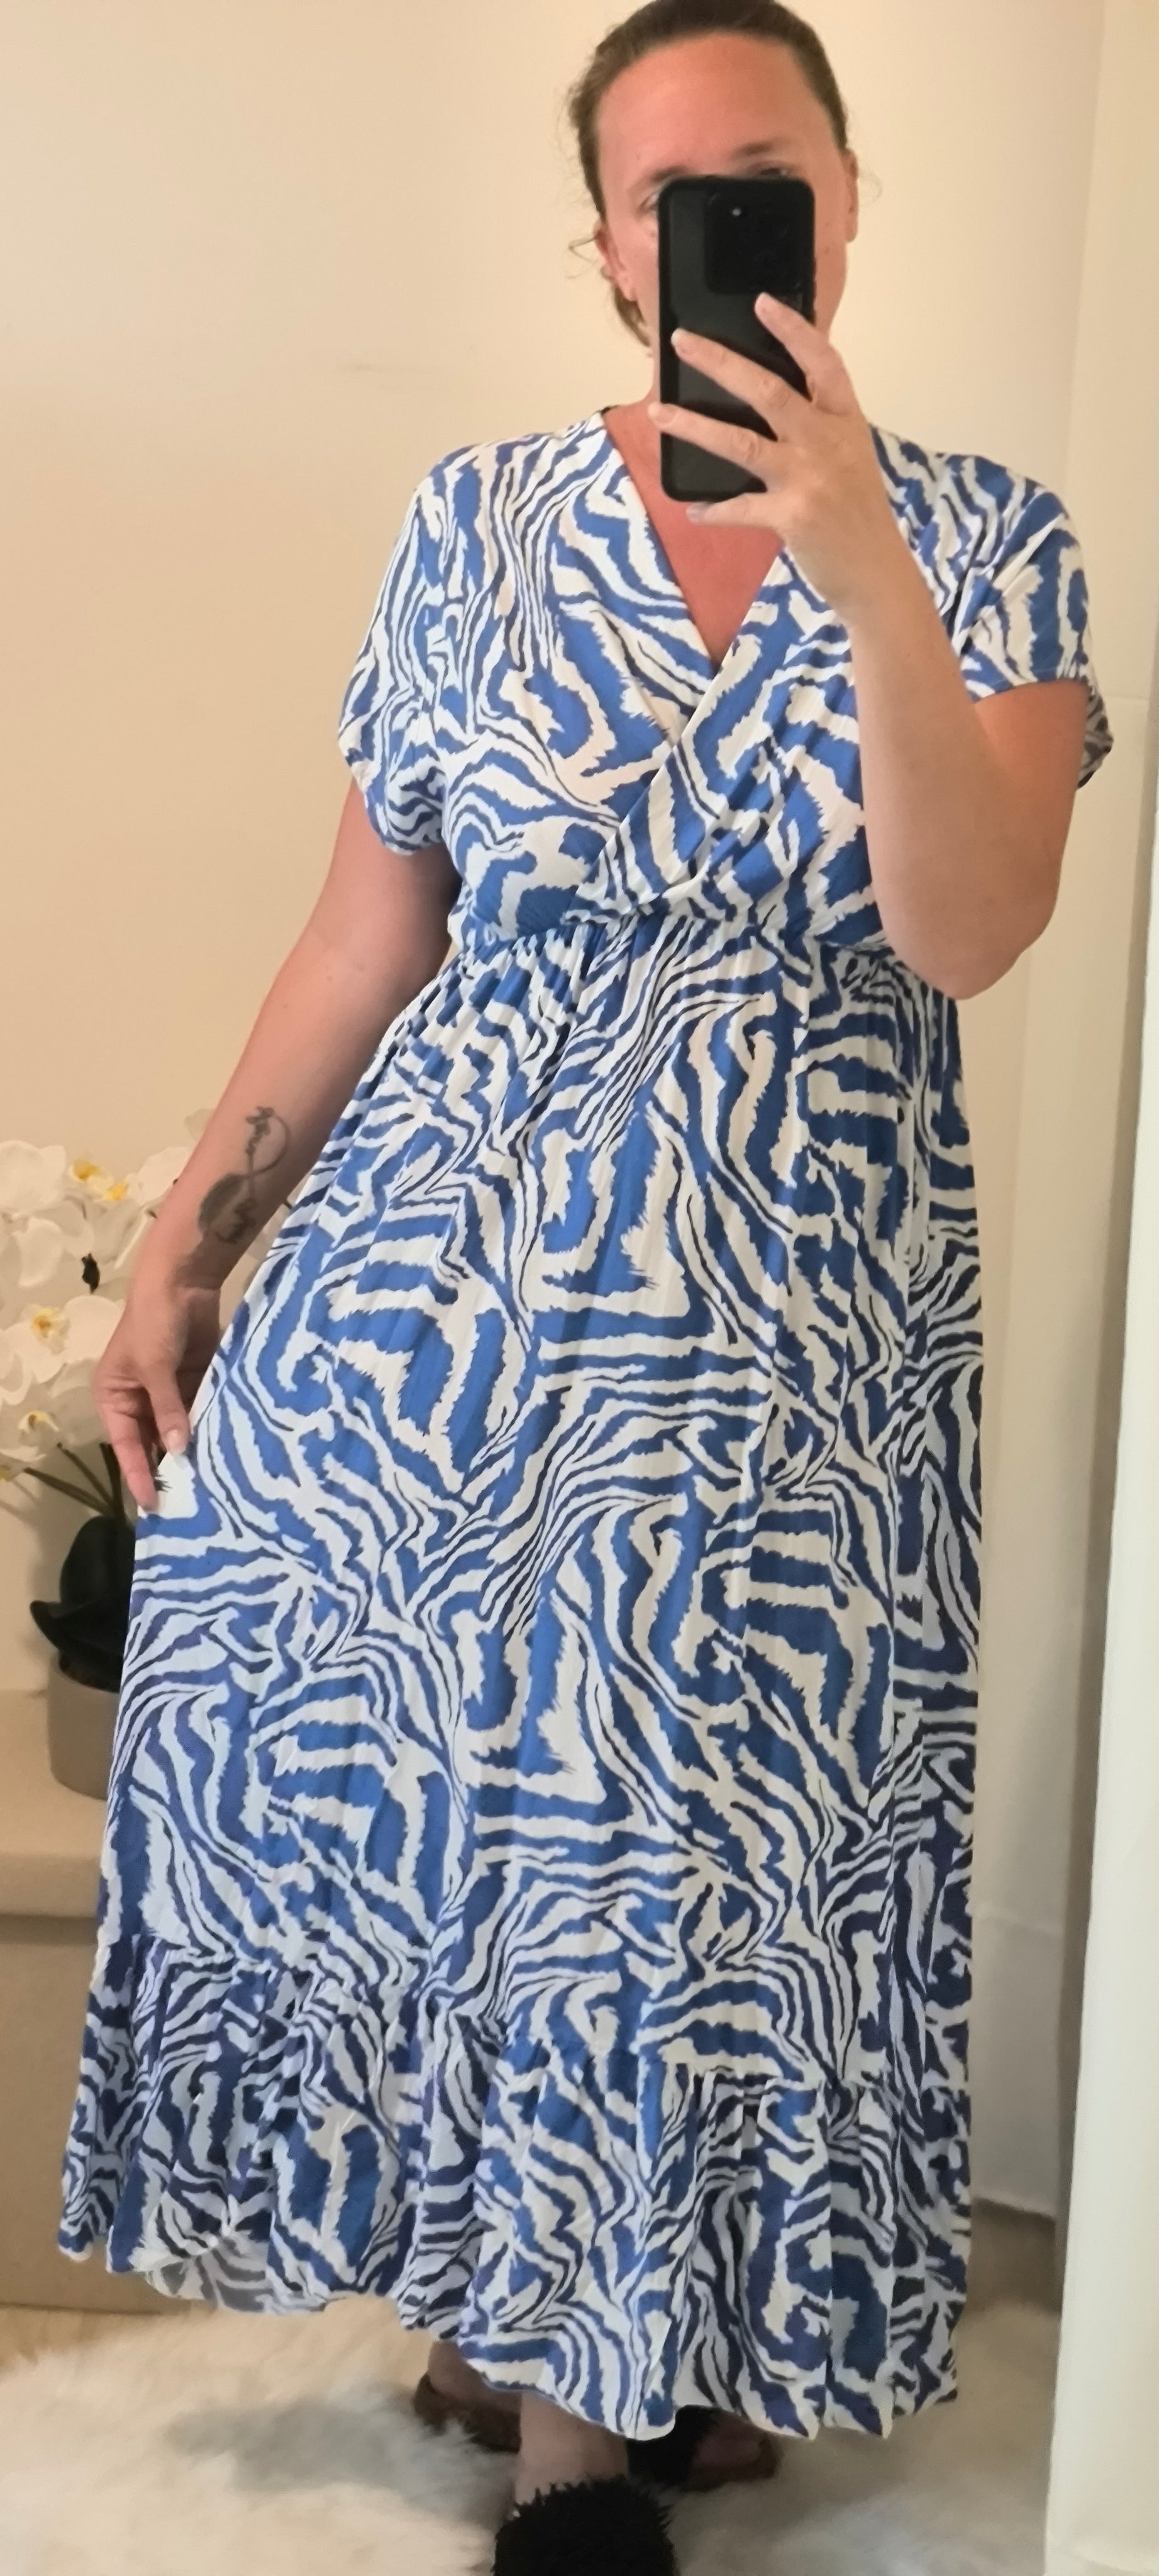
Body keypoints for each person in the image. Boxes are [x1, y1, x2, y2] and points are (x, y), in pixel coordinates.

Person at [59, 3, 1111, 2568]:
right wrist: (184, 1251)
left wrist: (854, 555)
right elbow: (363, 934)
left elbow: (966, 926)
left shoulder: (992, 539)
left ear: (843, 198)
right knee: (482, 1812)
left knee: (716, 1849)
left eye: (762, 171)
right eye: (663, 195)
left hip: (792, 1337)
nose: (717, 225)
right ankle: (566, 2413)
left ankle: (598, 2366)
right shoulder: (472, 523)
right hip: (447, 1303)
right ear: (606, 252)